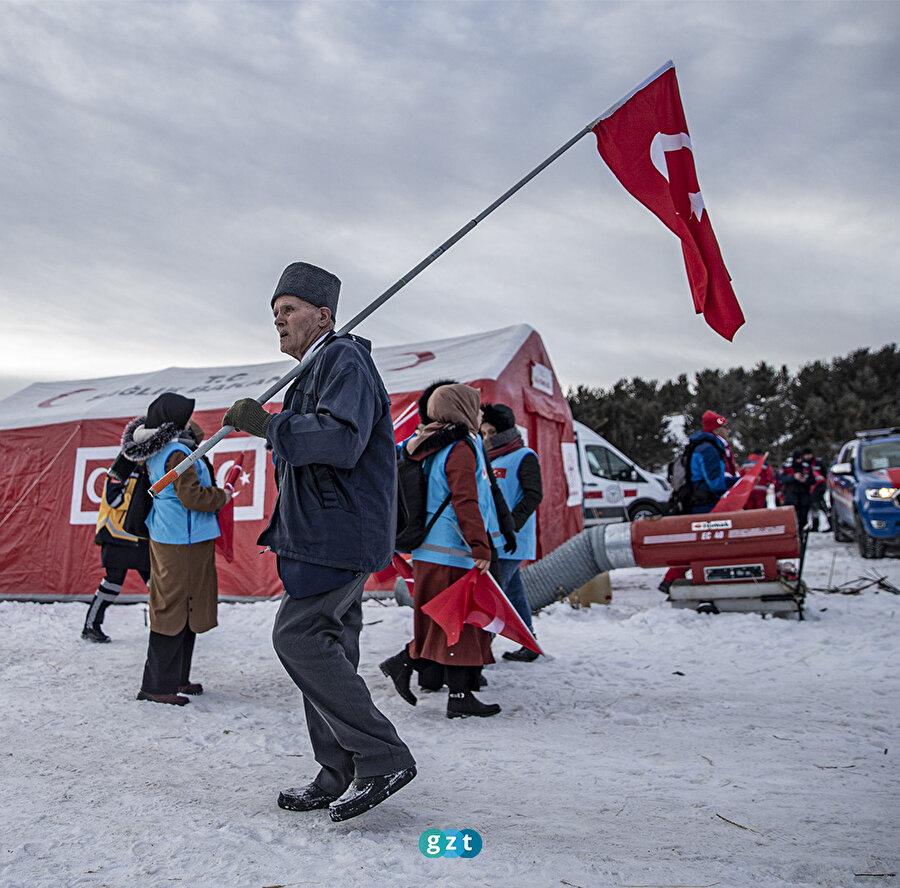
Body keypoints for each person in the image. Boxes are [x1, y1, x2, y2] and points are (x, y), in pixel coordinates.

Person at [222, 261, 415, 823]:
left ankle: (383, 756)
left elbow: (340, 440)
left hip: (337, 532)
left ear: (324, 315)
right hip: (317, 532)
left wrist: (271, 426)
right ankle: (339, 770)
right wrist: (279, 428)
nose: (278, 321)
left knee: (299, 638)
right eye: (274, 313)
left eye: (289, 310)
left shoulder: (342, 359)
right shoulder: (314, 369)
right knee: (331, 647)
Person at [380, 383, 504, 719]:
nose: (480, 413)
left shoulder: (426, 441)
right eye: (475, 406)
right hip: (452, 548)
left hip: (429, 549)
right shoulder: (460, 447)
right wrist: (480, 546)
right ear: (460, 408)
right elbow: (466, 500)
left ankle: (419, 671)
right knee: (456, 623)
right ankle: (436, 681)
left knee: (443, 622)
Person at [132, 393, 231, 706]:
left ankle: (176, 678)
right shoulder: (176, 453)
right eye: (186, 415)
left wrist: (186, 429)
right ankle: (156, 685)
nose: (192, 420)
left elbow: (195, 440)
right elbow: (193, 497)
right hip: (182, 539)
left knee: (186, 607)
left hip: (176, 535)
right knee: (173, 609)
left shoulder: (168, 447)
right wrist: (222, 496)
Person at [480, 403, 543, 663]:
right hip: (494, 539)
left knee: (494, 597)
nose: (487, 438)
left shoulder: (524, 456)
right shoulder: (489, 458)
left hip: (512, 540)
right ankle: (529, 643)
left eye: (492, 432)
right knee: (513, 593)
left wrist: (512, 525)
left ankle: (479, 652)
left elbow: (533, 495)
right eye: (484, 432)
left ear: (505, 431)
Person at [658, 410, 738, 594]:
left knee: (701, 543)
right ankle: (696, 580)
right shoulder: (709, 449)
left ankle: (673, 578)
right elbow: (715, 482)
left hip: (699, 502)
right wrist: (739, 481)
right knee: (706, 545)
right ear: (716, 430)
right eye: (725, 427)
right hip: (704, 504)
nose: (728, 431)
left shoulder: (704, 446)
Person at [81, 436, 150, 643]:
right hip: (116, 535)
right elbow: (114, 499)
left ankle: (164, 626)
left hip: (138, 536)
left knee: (156, 582)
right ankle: (91, 626)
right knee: (113, 582)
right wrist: (139, 502)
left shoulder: (148, 468)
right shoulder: (120, 468)